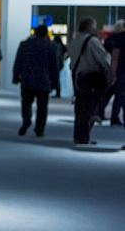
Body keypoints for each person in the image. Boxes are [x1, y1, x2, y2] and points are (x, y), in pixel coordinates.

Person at [69, 16, 113, 146]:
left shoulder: (75, 40)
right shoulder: (92, 41)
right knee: (89, 109)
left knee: (80, 108)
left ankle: (79, 136)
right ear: (89, 27)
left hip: (78, 77)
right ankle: (84, 137)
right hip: (92, 77)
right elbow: (104, 59)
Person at [12, 25, 61, 138]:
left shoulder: (24, 45)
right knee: (42, 106)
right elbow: (54, 67)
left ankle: (26, 120)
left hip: (27, 79)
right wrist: (55, 83)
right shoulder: (51, 46)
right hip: (44, 81)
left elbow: (18, 61)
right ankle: (40, 128)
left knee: (26, 103)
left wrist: (16, 76)